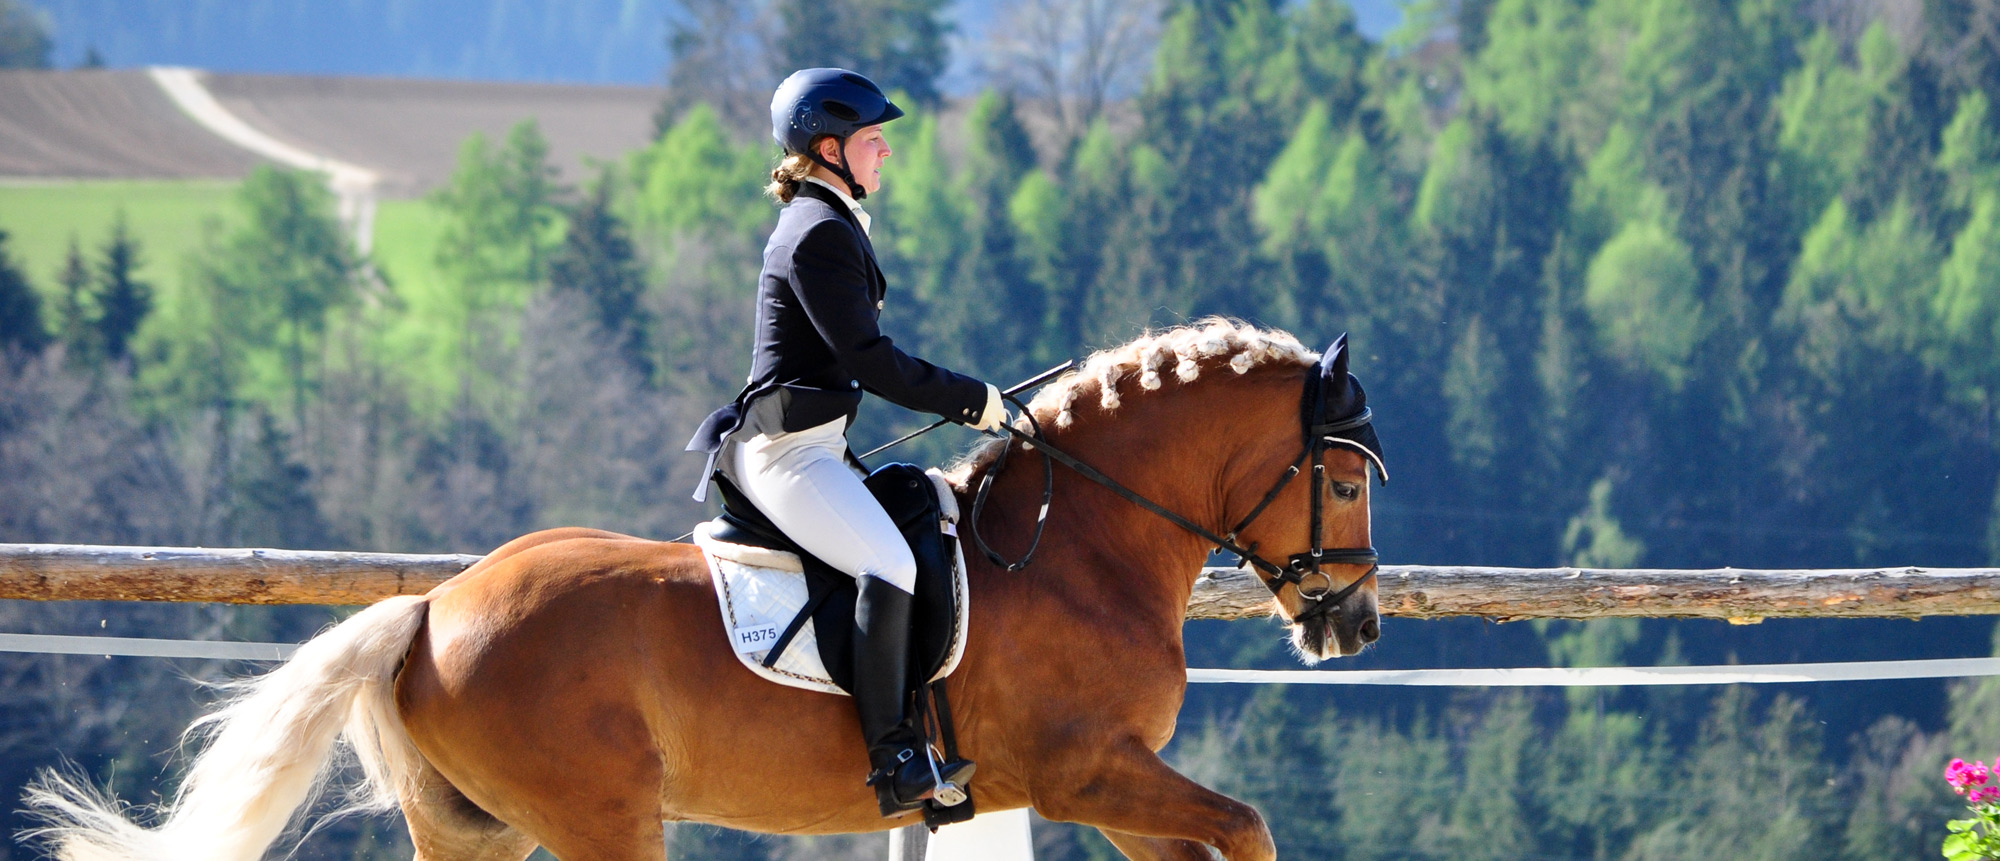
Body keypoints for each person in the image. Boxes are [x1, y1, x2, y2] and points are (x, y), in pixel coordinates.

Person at [686, 67, 1004, 817]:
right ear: (828, 149)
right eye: (872, 138)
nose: (886, 150)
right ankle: (894, 757)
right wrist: (972, 399)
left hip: (816, 445)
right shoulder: (818, 233)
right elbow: (869, 358)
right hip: (786, 453)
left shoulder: (830, 221)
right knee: (887, 562)